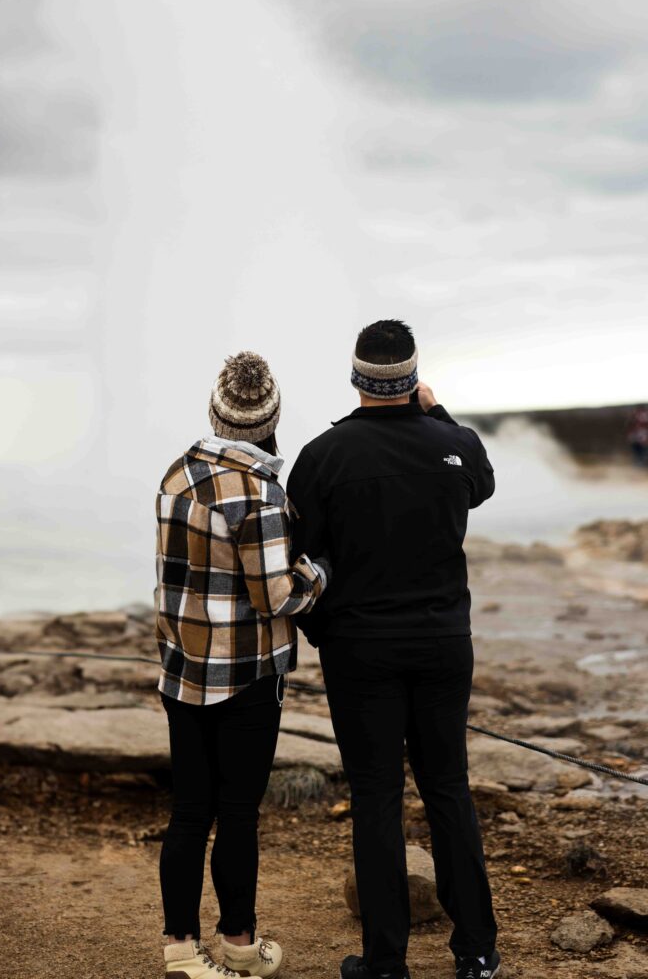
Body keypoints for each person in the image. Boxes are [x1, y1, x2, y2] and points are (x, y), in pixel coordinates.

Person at [287, 320, 500, 979]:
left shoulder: (323, 456)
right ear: (413, 377)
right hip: (443, 646)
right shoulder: (455, 444)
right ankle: (478, 954)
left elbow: (295, 560)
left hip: (359, 652)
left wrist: (323, 633)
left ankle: (385, 965)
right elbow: (483, 482)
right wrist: (438, 410)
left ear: (357, 378)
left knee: (377, 798)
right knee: (448, 791)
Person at [155, 351, 329, 979]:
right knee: (237, 813)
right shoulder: (259, 492)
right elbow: (276, 595)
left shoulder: (177, 474)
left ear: (214, 412)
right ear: (272, 419)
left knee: (189, 812)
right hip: (248, 678)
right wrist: (320, 573)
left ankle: (180, 948)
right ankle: (238, 946)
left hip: (181, 672)